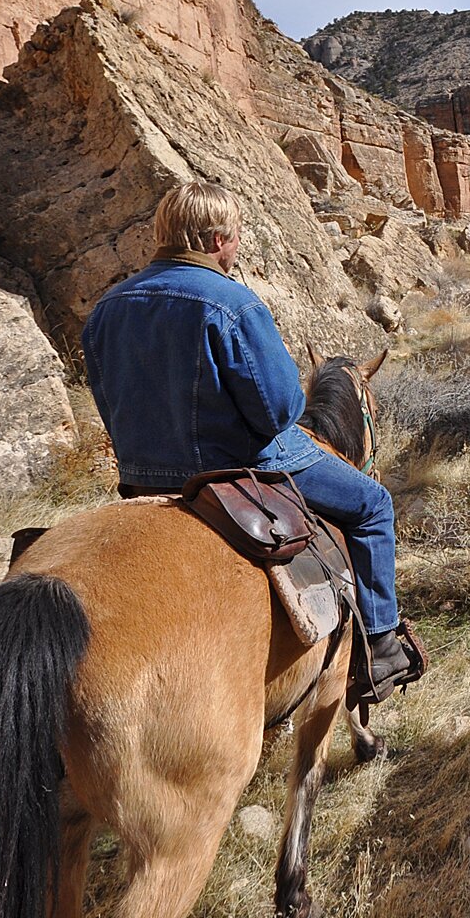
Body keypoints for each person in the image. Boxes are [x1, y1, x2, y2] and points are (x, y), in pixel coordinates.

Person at [81, 181, 415, 690]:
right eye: (235, 239)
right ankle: (382, 643)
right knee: (373, 504)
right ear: (216, 239)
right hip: (242, 464)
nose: (235, 251)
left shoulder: (108, 307)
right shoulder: (233, 303)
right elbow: (281, 410)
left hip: (141, 475)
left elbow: (109, 403)